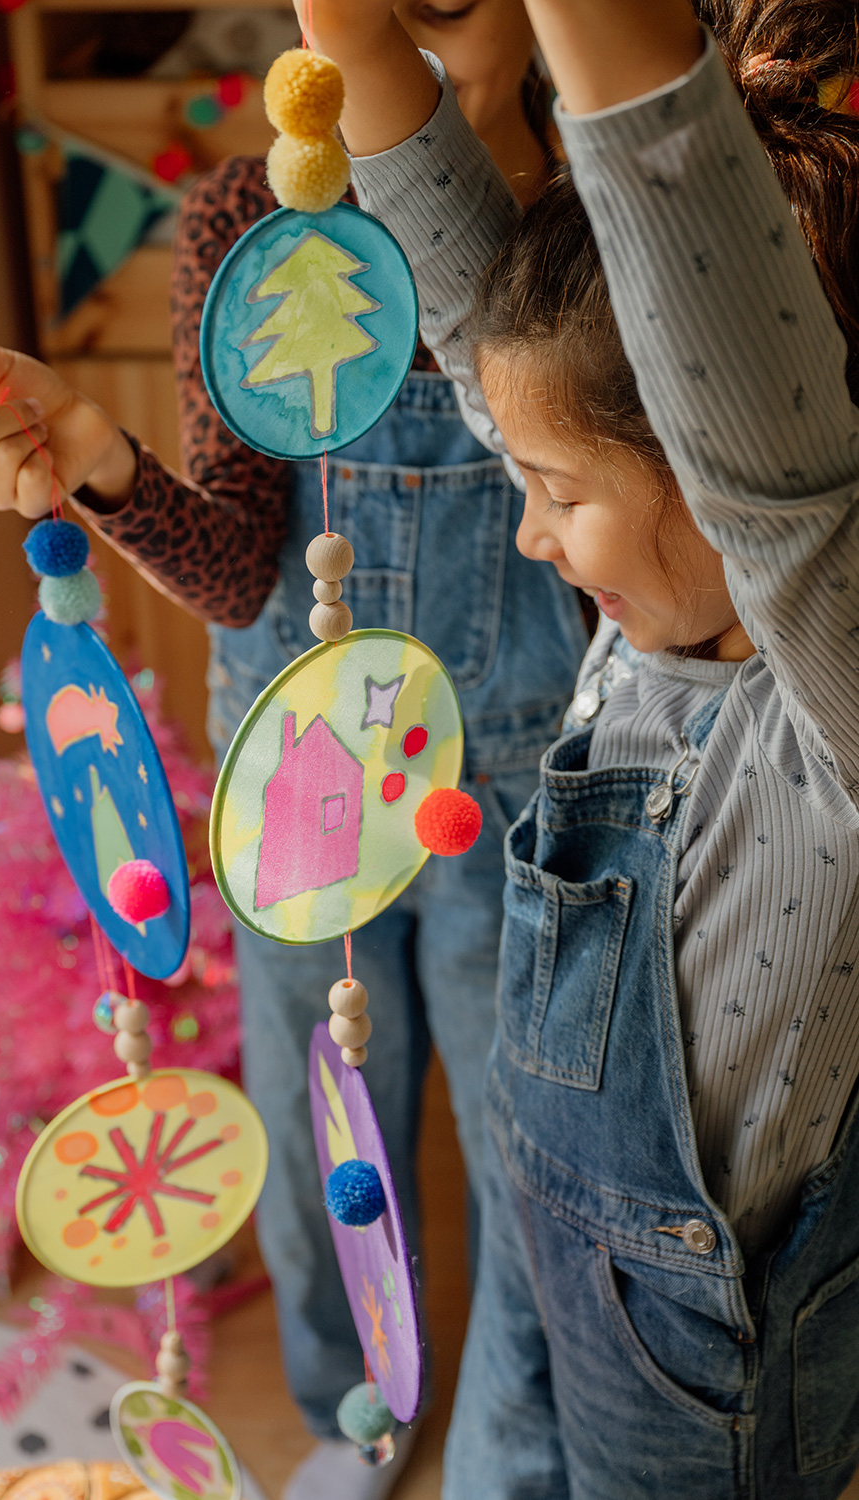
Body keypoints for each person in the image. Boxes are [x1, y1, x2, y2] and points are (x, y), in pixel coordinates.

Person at [0, 7, 590, 1497]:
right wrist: (96, 456)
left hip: (511, 785)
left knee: (530, 1156)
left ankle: (512, 1448)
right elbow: (231, 566)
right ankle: (352, 1419)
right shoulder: (251, 219)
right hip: (298, 789)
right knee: (313, 1133)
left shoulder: (584, 215)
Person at [298, 0, 859, 1494]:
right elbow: (479, 309)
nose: (532, 528)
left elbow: (752, 427)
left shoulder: (823, 676)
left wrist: (603, 44)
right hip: (550, 1255)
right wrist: (349, 42)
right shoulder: (660, 606)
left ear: (707, 457)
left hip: (698, 1361)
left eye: (555, 486)